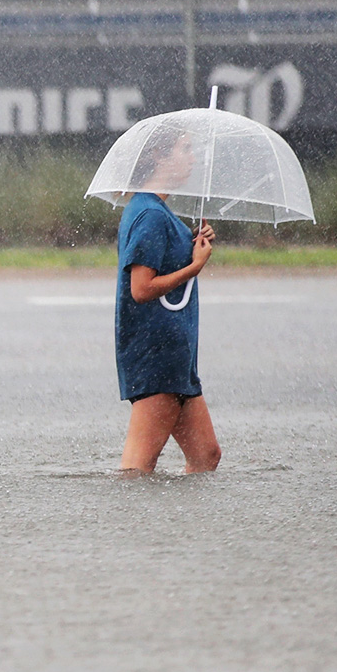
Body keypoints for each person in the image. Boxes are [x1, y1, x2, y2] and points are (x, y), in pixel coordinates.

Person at [115, 124, 221, 476]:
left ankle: (180, 528)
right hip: (157, 356)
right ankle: (133, 528)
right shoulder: (149, 214)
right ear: (159, 156)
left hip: (176, 356)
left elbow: (163, 260)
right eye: (185, 149)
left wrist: (191, 242)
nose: (193, 158)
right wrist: (194, 267)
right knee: (138, 468)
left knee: (206, 456)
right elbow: (141, 289)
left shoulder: (159, 213)